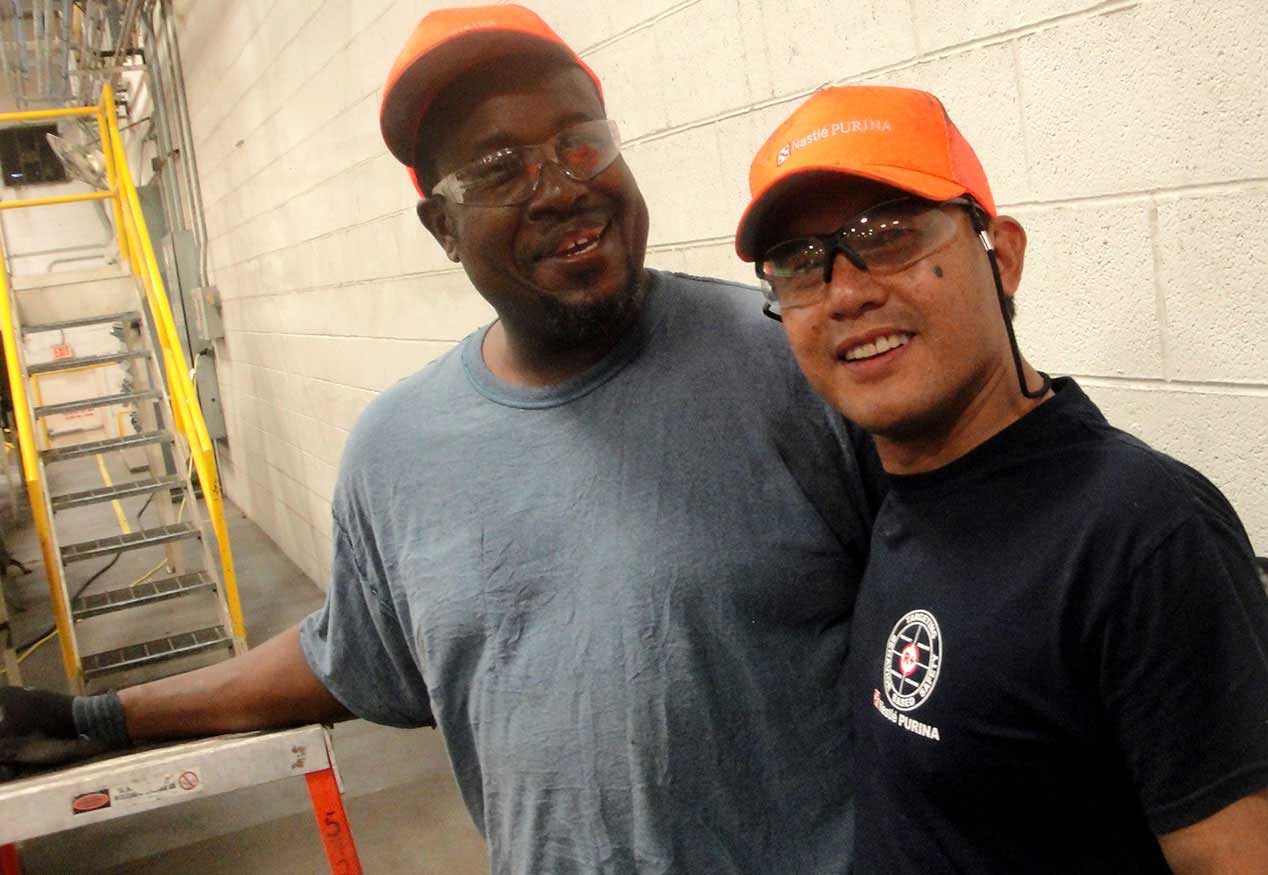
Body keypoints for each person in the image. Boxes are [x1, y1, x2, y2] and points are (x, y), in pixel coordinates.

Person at [0, 7, 877, 872]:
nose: (563, 186)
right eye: (499, 169)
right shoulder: (395, 452)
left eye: (582, 140)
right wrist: (97, 719)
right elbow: (350, 655)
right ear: (442, 229)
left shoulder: (788, 359)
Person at [734, 85, 1268, 873]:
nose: (848, 290)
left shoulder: (1140, 530)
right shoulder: (891, 488)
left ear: (999, 254)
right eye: (801, 264)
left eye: (890, 234)